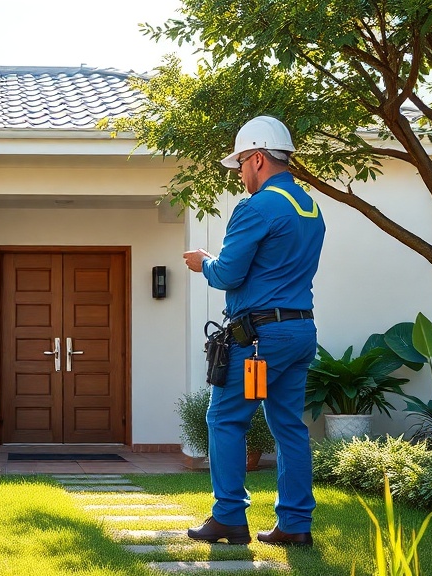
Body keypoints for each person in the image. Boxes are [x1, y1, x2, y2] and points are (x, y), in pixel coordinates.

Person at [182, 115, 325, 547]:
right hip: (299, 332)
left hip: (259, 338)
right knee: (288, 427)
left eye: (242, 163)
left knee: (224, 419)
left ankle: (228, 517)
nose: (241, 174)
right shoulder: (310, 208)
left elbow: (227, 274)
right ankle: (295, 524)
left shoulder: (257, 206)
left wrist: (203, 262)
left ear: (258, 158)